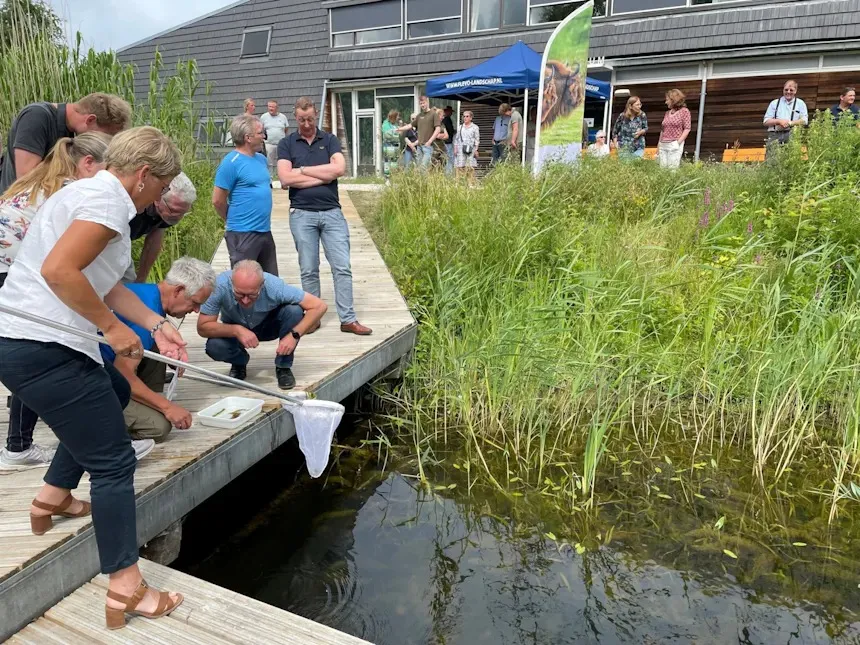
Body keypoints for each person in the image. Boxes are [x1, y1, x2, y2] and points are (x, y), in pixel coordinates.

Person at [0, 126, 187, 628]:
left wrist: (155, 324)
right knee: (113, 464)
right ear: (144, 175)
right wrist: (111, 329)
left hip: (31, 343)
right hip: (41, 347)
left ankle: (53, 496)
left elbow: (100, 282)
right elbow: (62, 271)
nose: (161, 195)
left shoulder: (90, 194)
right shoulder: (106, 206)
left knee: (116, 388)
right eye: (162, 184)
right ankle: (126, 587)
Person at [0, 133, 112, 469]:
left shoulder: (42, 178)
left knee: (30, 355)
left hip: (10, 268)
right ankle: (19, 446)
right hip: (12, 272)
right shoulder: (69, 191)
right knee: (41, 349)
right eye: (107, 172)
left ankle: (20, 443)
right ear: (88, 163)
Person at [277, 97, 372, 337]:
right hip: (301, 214)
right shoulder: (287, 143)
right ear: (295, 117)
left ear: (315, 114)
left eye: (310, 119)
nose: (306, 124)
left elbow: (339, 169)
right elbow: (285, 179)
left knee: (342, 267)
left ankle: (348, 319)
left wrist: (303, 171)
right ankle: (313, 317)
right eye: (301, 120)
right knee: (308, 268)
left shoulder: (329, 140)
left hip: (332, 213)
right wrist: (323, 176)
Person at [104, 257, 216, 443]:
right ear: (178, 290)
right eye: (195, 302)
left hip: (110, 366)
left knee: (158, 342)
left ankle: (147, 399)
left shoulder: (148, 292)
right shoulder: (145, 321)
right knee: (159, 427)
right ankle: (99, 426)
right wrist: (167, 407)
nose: (197, 310)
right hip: (94, 379)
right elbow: (122, 374)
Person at [197, 260, 327, 390]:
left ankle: (283, 366)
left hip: (268, 326)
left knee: (294, 311)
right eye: (239, 294)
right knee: (214, 346)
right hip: (234, 328)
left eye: (252, 295)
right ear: (231, 283)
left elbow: (319, 306)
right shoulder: (218, 286)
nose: (245, 300)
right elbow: (203, 327)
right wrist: (236, 330)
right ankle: (239, 362)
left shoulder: (274, 286)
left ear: (262, 285)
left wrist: (294, 335)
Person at [0, 92, 131, 193]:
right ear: (90, 120)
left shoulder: (70, 131)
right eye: (104, 135)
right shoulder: (36, 116)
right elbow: (25, 176)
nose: (101, 141)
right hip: (18, 214)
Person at [212, 114, 278, 275]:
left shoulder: (261, 159)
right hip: (242, 234)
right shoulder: (230, 163)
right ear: (248, 137)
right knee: (245, 283)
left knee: (270, 281)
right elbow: (217, 201)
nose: (263, 136)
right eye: (260, 133)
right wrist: (232, 218)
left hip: (264, 231)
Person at [127, 172, 197, 282]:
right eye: (173, 211)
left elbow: (153, 241)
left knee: (128, 284)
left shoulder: (170, 211)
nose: (176, 217)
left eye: (182, 212)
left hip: (122, 243)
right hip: (107, 237)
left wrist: (141, 278)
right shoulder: (133, 201)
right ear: (158, 197)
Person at [763, 79, 808, 157]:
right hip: (774, 135)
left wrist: (790, 123)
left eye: (791, 90)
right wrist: (779, 121)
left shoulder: (800, 104)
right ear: (783, 90)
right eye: (786, 90)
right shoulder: (774, 103)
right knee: (771, 162)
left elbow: (805, 120)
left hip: (792, 135)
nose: (788, 92)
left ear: (796, 91)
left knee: (791, 161)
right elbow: (766, 121)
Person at [658, 89, 691, 169]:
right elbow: (663, 130)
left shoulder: (684, 111)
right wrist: (658, 146)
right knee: (662, 170)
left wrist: (678, 143)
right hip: (663, 144)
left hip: (674, 144)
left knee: (672, 170)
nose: (666, 102)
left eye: (667, 100)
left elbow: (687, 128)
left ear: (673, 100)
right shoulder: (667, 113)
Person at [260, 100, 290, 175]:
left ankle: (280, 176)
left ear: (277, 107)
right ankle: (270, 177)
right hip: (269, 143)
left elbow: (286, 129)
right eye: (269, 106)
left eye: (272, 107)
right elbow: (261, 129)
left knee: (280, 160)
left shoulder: (283, 117)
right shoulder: (264, 117)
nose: (271, 108)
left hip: (281, 144)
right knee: (269, 161)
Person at [412, 96, 441, 169]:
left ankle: (426, 180)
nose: (422, 105)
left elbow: (438, 129)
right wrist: (400, 129)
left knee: (424, 167)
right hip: (419, 146)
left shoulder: (433, 114)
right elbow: (410, 125)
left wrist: (429, 141)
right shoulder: (419, 116)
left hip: (428, 146)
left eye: (423, 103)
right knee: (419, 168)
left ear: (427, 102)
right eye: (421, 103)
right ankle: (421, 180)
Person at [453, 110, 479, 182]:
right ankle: (460, 182)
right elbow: (456, 139)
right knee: (460, 166)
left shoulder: (475, 127)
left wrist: (476, 149)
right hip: (461, 148)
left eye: (467, 116)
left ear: (471, 118)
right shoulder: (460, 127)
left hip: (471, 148)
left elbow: (477, 139)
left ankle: (470, 183)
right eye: (464, 116)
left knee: (470, 166)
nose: (465, 118)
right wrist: (455, 148)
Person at [381, 110, 401, 181]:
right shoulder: (385, 124)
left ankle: (393, 177)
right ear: (393, 116)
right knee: (387, 162)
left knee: (394, 163)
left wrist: (396, 133)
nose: (398, 118)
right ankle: (387, 178)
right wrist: (396, 134)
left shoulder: (395, 125)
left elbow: (399, 134)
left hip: (395, 147)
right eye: (397, 116)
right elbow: (387, 135)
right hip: (388, 146)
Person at [442, 106, 457, 176]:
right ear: (447, 111)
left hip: (445, 141)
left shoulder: (444, 119)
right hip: (448, 141)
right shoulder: (447, 119)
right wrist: (454, 131)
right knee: (450, 157)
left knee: (447, 157)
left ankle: (447, 173)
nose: (451, 113)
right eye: (450, 112)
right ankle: (449, 174)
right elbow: (450, 130)